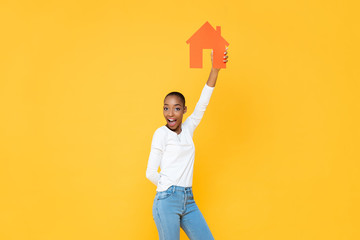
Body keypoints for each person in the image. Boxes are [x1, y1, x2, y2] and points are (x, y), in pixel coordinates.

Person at [146, 48, 229, 240]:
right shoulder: (161, 134)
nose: (170, 113)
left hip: (188, 201)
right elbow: (150, 172)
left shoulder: (189, 129)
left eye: (176, 108)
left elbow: (203, 103)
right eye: (166, 108)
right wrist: (169, 188)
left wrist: (215, 70)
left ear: (184, 110)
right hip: (167, 201)